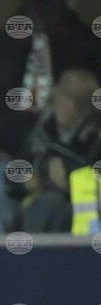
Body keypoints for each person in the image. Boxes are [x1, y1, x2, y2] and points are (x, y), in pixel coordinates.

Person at [0, 0, 101, 233]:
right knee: (6, 206)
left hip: (75, 152)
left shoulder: (86, 42)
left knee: (66, 211)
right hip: (12, 151)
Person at [14, 67, 101, 232]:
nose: (72, 105)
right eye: (67, 95)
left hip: (78, 212)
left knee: (50, 204)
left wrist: (65, 171)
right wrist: (30, 177)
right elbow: (11, 174)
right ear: (55, 92)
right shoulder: (41, 129)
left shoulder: (94, 137)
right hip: (35, 203)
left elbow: (90, 174)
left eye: (81, 101)